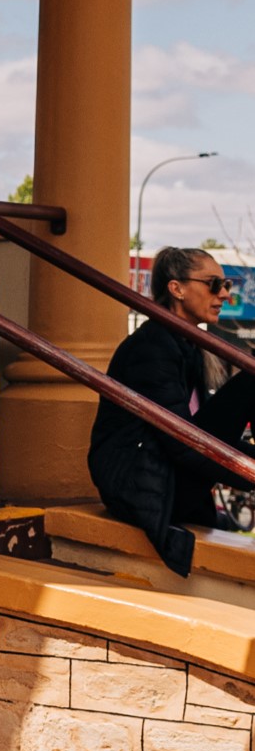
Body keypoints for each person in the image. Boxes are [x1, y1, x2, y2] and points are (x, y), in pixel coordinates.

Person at [90, 245, 255, 574]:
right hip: (138, 487)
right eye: (213, 284)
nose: (223, 294)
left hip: (165, 474)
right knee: (251, 377)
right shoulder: (151, 348)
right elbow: (183, 442)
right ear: (176, 288)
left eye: (227, 285)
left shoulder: (185, 345)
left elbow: (202, 434)